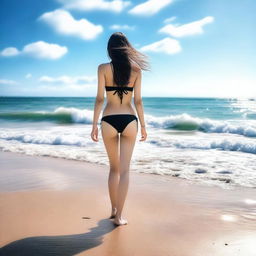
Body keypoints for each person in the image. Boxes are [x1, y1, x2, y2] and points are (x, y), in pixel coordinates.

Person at [91, 32, 150, 226]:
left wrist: (94, 124)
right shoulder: (136, 70)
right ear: (127, 47)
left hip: (108, 119)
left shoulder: (103, 68)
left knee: (114, 168)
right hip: (129, 120)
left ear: (109, 49)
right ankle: (119, 217)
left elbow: (100, 98)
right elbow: (138, 101)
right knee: (125, 170)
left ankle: (113, 209)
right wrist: (143, 125)